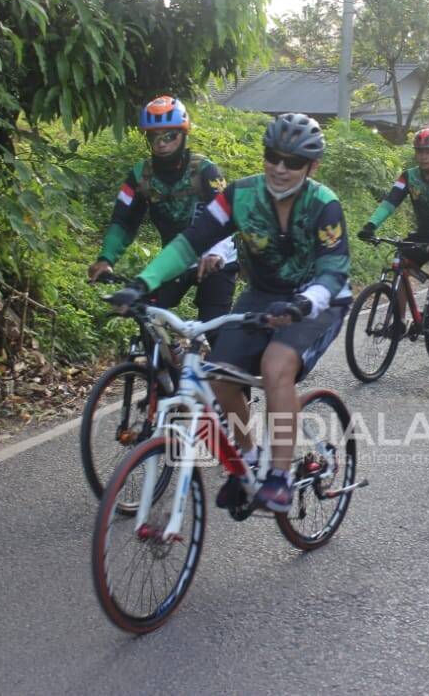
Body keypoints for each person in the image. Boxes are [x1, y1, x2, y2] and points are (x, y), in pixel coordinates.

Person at [108, 113, 351, 515]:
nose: (279, 167)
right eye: (273, 156)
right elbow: (190, 243)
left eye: (292, 162)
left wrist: (305, 302)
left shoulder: (323, 204)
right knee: (218, 376)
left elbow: (333, 267)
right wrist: (143, 284)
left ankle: (279, 475)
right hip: (264, 294)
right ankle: (250, 459)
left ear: (312, 167)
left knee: (276, 366)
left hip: (319, 298)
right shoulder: (239, 195)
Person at [88, 96, 238, 320]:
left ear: (183, 134)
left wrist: (216, 253)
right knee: (144, 313)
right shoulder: (141, 176)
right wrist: (106, 258)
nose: (162, 143)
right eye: (154, 136)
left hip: (216, 257)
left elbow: (225, 219)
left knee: (213, 328)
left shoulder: (206, 171)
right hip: (173, 260)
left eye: (170, 135)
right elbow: (123, 220)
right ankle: (168, 353)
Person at [357, 127, 429, 335]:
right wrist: (371, 225)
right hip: (424, 232)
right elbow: (390, 202)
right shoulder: (408, 177)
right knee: (401, 265)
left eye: (428, 152)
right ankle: (400, 321)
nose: (423, 157)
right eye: (419, 152)